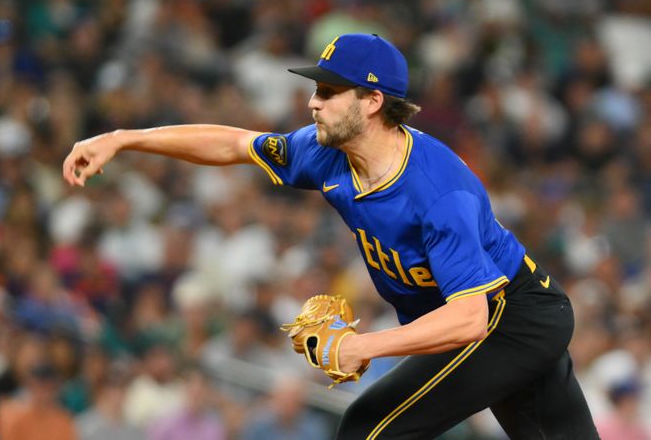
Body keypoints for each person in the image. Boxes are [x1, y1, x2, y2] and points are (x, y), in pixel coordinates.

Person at [62, 33, 598, 439]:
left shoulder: (437, 190)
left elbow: (470, 318)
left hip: (509, 315)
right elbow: (233, 144)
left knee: (369, 426)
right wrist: (123, 138)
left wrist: (364, 347)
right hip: (492, 318)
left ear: (371, 101)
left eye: (328, 90)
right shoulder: (326, 153)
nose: (313, 102)